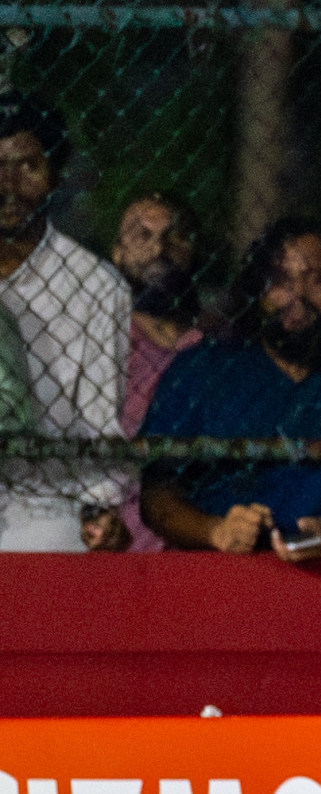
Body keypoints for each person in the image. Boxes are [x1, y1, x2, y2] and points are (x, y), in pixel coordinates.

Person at [139, 218, 321, 559]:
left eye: (315, 279)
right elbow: (157, 496)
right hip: (214, 573)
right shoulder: (200, 369)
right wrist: (216, 531)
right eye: (281, 281)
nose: (297, 295)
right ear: (257, 290)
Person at [0, 91, 130, 552]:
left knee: (56, 544)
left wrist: (98, 507)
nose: (8, 185)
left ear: (54, 176)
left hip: (43, 497)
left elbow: (99, 419)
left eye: (27, 167)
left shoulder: (95, 284)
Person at [98, 192, 206, 552]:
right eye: (142, 235)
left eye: (173, 235)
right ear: (118, 253)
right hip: (115, 541)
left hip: (205, 536)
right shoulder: (97, 341)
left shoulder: (216, 349)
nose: (159, 247)